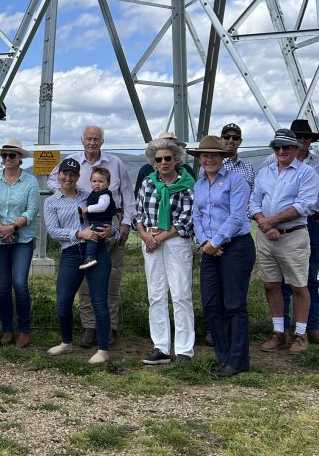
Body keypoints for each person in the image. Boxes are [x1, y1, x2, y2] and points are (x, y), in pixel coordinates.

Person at [47, 125, 135, 346]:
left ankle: (110, 329)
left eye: (96, 139)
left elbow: (128, 195)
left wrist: (123, 224)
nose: (92, 142)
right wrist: (63, 194)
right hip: (80, 233)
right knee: (84, 286)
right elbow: (52, 180)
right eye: (88, 139)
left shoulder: (115, 163)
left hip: (108, 223)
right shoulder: (73, 164)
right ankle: (89, 327)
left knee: (110, 281)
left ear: (102, 141)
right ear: (82, 140)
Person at [189, 135, 255, 377]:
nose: (209, 159)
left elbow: (237, 217)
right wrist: (206, 242)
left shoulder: (237, 181)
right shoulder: (199, 184)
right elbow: (196, 216)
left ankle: (237, 361)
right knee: (210, 302)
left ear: (222, 157)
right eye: (204, 155)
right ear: (199, 158)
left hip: (236, 247)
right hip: (210, 248)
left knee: (234, 305)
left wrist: (215, 242)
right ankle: (224, 355)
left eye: (213, 155)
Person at [251, 128, 319, 354]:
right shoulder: (265, 172)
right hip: (266, 237)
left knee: (299, 285)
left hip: (293, 236)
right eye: (277, 147)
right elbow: (254, 202)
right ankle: (279, 332)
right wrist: (265, 223)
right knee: (271, 285)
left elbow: (304, 205)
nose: (281, 151)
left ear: (296, 148)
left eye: (286, 147)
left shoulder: (306, 173)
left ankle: (301, 334)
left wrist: (270, 222)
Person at [134, 136, 196, 364]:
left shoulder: (188, 184)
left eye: (168, 158)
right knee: (156, 294)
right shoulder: (148, 183)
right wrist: (144, 235)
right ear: (154, 162)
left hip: (175, 240)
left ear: (176, 158)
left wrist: (161, 237)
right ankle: (160, 346)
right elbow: (138, 214)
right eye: (159, 159)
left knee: (180, 294)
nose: (163, 162)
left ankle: (184, 350)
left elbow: (187, 219)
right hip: (150, 239)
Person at [44, 159, 113, 364]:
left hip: (97, 251)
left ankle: (103, 349)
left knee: (99, 301)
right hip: (71, 253)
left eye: (73, 174)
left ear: (77, 177)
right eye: (65, 174)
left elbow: (108, 218)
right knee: (63, 301)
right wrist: (79, 233)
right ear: (58, 176)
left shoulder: (90, 195)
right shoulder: (52, 202)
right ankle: (66, 342)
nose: (68, 178)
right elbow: (54, 231)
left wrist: (113, 231)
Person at [280, 118, 319, 345]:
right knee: (282, 278)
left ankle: (311, 327)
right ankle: (281, 328)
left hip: (310, 224)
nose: (303, 141)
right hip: (283, 224)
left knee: (309, 277)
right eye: (299, 137)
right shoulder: (276, 162)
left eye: (307, 138)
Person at [0, 139, 40, 348]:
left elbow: (32, 209)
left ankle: (24, 329)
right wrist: (1, 227)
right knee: (2, 286)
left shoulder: (31, 182)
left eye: (12, 155)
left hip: (23, 238)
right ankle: (7, 329)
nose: (7, 158)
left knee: (19, 284)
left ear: (20, 158)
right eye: (4, 155)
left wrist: (13, 227)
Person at [79, 166, 120, 270]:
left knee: (92, 236)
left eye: (101, 181)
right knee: (95, 237)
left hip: (102, 221)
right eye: (94, 181)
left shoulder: (104, 195)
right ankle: (92, 256)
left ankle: (90, 257)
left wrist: (87, 209)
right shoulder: (94, 194)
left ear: (108, 183)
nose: (97, 184)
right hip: (96, 220)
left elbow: (101, 207)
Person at [218, 122, 256, 188]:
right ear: (220, 140)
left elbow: (254, 193)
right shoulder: (210, 165)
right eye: (226, 137)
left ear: (240, 142)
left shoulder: (249, 168)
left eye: (235, 138)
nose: (231, 140)